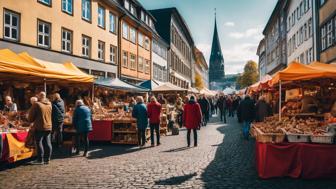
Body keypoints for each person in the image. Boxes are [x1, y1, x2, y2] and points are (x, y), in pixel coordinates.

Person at [28, 92, 52, 165]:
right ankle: (47, 159)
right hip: (48, 126)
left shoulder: (37, 104)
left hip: (40, 126)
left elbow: (30, 118)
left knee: (39, 142)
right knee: (47, 142)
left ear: (39, 97)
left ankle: (40, 160)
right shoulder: (49, 104)